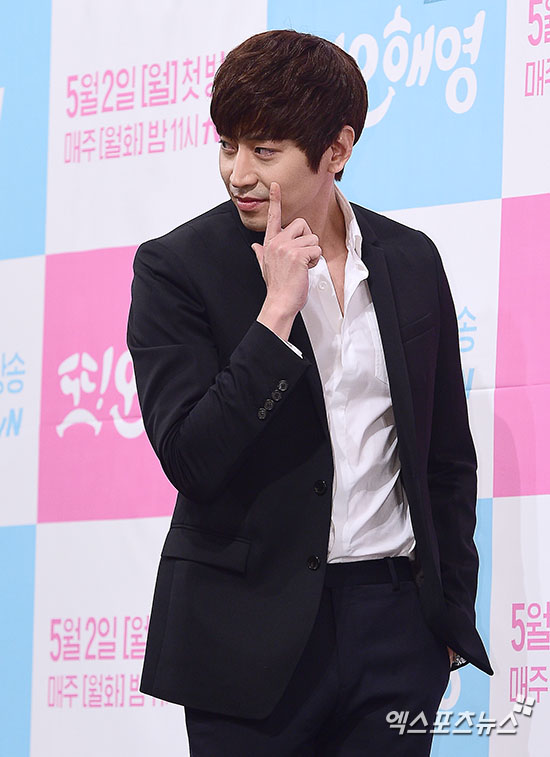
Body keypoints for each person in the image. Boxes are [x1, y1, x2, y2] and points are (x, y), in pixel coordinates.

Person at [127, 29, 492, 756]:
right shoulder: (177, 268)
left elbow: (446, 455)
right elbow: (192, 457)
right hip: (247, 633)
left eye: (264, 152)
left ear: (338, 149)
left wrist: (448, 613)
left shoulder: (410, 260)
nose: (238, 173)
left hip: (394, 627)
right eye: (228, 145)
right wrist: (275, 318)